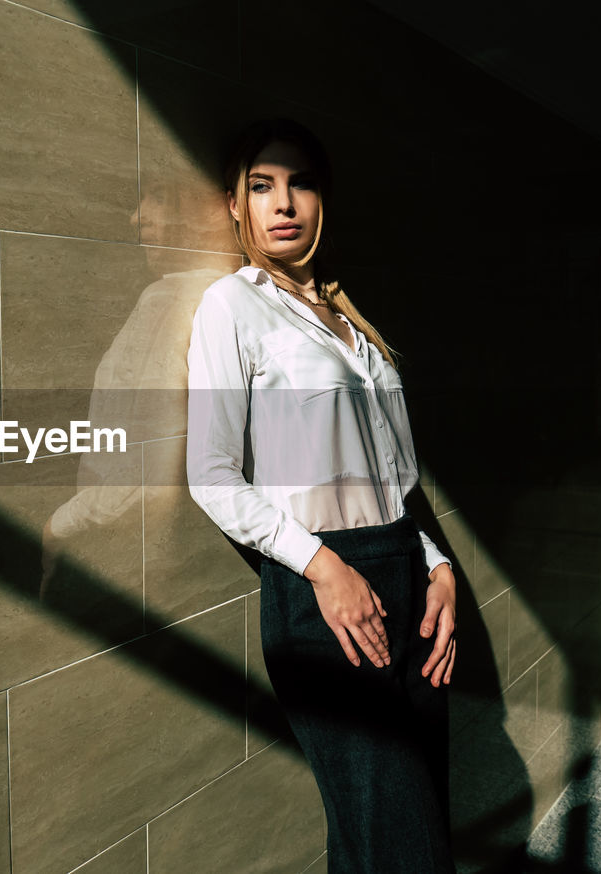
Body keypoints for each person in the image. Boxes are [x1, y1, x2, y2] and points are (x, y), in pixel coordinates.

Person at [185, 118, 457, 872]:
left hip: (407, 576)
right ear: (235, 205)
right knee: (407, 847)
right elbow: (210, 474)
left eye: (300, 183)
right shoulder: (232, 308)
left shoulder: (350, 322)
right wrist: (322, 568)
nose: (283, 203)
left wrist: (436, 564)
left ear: (323, 199)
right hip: (322, 596)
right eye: (262, 186)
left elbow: (394, 475)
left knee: (385, 831)